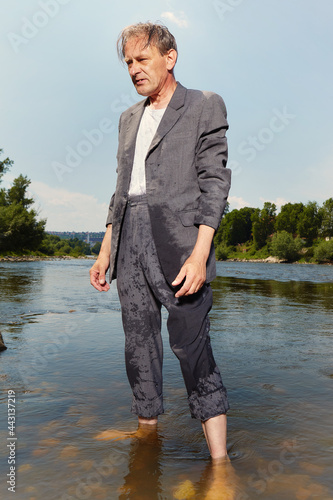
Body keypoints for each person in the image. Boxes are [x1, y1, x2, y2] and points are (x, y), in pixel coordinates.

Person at [90, 22, 231, 460]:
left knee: (192, 349)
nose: (133, 69)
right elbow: (121, 187)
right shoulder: (128, 118)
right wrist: (105, 247)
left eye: (141, 59)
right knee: (139, 345)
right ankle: (147, 439)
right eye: (128, 62)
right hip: (128, 238)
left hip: (180, 243)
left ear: (169, 58)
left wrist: (200, 253)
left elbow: (215, 182)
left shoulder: (204, 104)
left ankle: (220, 463)